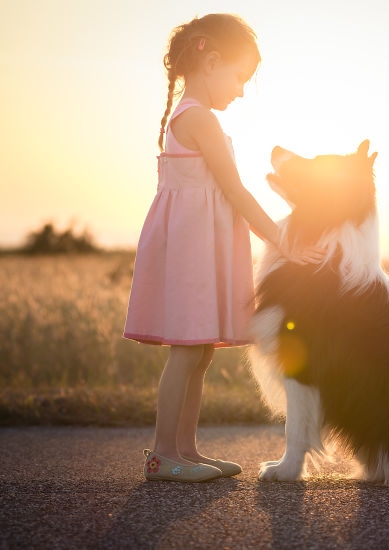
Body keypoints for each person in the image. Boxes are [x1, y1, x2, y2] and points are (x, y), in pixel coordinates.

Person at [124, 13, 323, 482]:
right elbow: (235, 191)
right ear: (210, 60)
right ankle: (162, 454)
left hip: (196, 247)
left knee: (199, 350)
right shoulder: (198, 118)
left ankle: (185, 451)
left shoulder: (187, 116)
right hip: (193, 253)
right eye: (239, 78)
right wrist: (282, 240)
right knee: (187, 351)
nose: (238, 91)